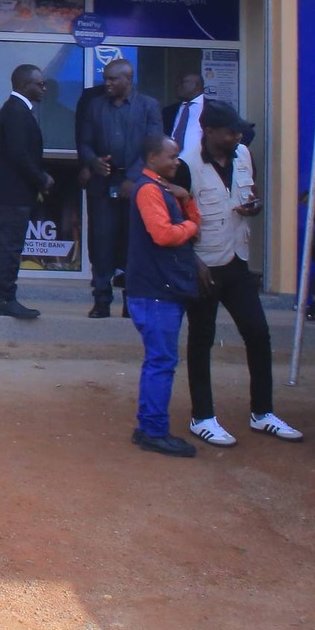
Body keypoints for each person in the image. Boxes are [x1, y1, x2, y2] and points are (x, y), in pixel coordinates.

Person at [179, 102, 302, 446]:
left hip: (237, 260)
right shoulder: (186, 165)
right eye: (231, 131)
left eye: (239, 131)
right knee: (201, 340)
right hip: (204, 265)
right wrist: (192, 261)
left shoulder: (243, 155)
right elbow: (175, 218)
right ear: (210, 132)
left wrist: (256, 206)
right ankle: (202, 416)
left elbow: (253, 193)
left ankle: (262, 412)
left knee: (258, 332)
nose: (238, 136)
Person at [126, 134, 203, 457]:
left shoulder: (158, 188)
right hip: (157, 291)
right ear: (153, 157)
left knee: (158, 360)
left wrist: (186, 203)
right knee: (161, 361)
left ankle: (149, 426)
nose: (177, 162)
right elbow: (163, 234)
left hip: (158, 290)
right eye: (171, 157)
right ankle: (154, 430)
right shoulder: (148, 190)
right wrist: (189, 226)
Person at [77, 57, 161, 320]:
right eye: (106, 79)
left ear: (128, 79)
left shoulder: (148, 106)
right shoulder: (95, 106)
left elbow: (154, 147)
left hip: (135, 185)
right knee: (101, 242)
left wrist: (134, 178)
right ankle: (101, 300)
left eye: (113, 79)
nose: (108, 83)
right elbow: (84, 141)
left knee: (132, 244)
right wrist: (93, 161)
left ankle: (130, 302)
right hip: (102, 184)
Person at [0, 63, 51, 321]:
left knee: (6, 244)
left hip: (12, 189)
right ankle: (5, 298)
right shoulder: (16, 111)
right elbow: (19, 154)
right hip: (13, 190)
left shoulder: (18, 110)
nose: (44, 88)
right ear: (24, 85)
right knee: (11, 246)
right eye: (40, 84)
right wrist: (41, 178)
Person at [162, 72, 207, 161]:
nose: (177, 85)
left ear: (196, 85)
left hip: (201, 163)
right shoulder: (169, 111)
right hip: (172, 163)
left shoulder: (213, 108)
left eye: (182, 82)